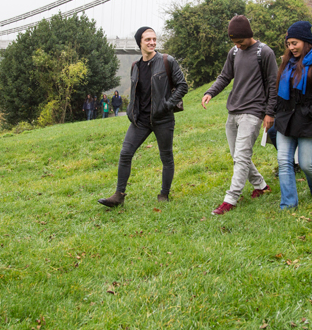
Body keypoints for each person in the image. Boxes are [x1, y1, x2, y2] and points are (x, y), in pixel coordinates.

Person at [98, 26, 188, 207]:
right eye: (148, 39)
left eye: (154, 39)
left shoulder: (167, 61)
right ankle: (118, 196)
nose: (152, 42)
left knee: (166, 157)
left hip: (163, 119)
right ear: (139, 42)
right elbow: (136, 93)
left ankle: (164, 194)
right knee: (125, 153)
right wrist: (131, 111)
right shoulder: (136, 66)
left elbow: (182, 86)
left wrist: (167, 105)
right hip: (141, 121)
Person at [202, 15, 278, 215]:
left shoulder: (265, 52)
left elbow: (273, 84)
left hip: (253, 111)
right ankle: (261, 186)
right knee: (237, 155)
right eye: (234, 42)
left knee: (242, 157)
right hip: (234, 110)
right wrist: (210, 92)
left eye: (240, 41)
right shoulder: (234, 52)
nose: (238, 45)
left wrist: (270, 113)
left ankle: (231, 199)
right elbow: (225, 76)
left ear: (249, 35)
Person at [274, 21, 312, 209]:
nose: (291, 48)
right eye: (288, 44)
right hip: (286, 120)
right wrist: (275, 113)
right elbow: (279, 92)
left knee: (307, 164)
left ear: (306, 41)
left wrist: (309, 112)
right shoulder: (287, 62)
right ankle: (288, 204)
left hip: (309, 121)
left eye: (295, 43)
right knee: (284, 162)